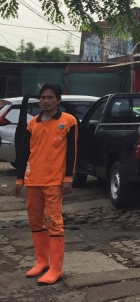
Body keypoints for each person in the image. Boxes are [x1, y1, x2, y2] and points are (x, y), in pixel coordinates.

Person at [13, 83, 78, 285]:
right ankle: (42, 262)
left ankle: (56, 268)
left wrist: (68, 178)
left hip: (54, 182)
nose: (46, 101)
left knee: (54, 222)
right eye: (43, 98)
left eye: (50, 98)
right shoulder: (33, 123)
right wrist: (20, 179)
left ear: (58, 100)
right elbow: (24, 153)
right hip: (33, 180)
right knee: (35, 222)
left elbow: (72, 152)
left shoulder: (68, 121)